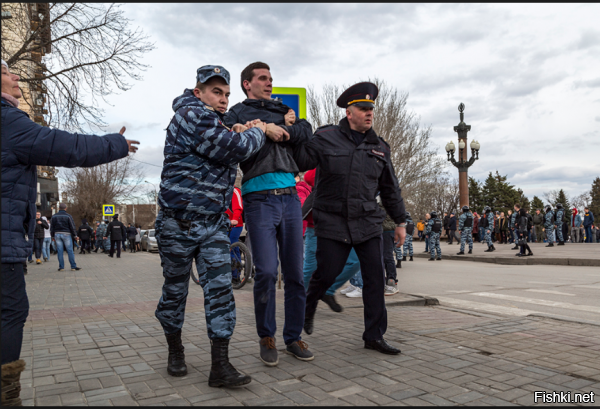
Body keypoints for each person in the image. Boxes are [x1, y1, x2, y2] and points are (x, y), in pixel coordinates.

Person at [2, 56, 137, 404]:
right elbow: (66, 146)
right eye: (5, 71)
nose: (16, 76)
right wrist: (116, 145)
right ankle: (6, 394)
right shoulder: (7, 122)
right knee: (9, 312)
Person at [155, 65, 267, 387]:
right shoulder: (191, 114)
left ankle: (220, 366)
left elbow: (223, 144)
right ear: (198, 92)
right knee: (175, 292)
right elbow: (239, 148)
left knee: (220, 293)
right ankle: (175, 350)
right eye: (216, 92)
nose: (223, 99)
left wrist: (235, 130)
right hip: (178, 225)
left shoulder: (214, 122)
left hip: (213, 226)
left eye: (227, 94)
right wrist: (257, 130)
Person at [293, 82, 406, 355]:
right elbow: (301, 161)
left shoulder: (380, 147)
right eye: (363, 109)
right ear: (349, 112)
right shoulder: (326, 137)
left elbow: (390, 188)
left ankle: (374, 336)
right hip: (332, 221)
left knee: (375, 280)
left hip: (367, 222)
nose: (369, 113)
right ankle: (308, 308)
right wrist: (297, 133)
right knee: (326, 273)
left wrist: (401, 221)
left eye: (371, 109)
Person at [223, 61, 315, 366]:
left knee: (295, 275)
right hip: (258, 198)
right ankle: (267, 336)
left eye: (271, 78)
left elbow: (306, 129)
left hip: (290, 198)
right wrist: (253, 127)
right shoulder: (237, 110)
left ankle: (293, 337)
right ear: (247, 84)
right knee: (264, 271)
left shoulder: (281, 109)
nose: (270, 82)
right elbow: (226, 130)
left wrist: (283, 130)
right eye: (263, 78)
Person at [50, 204, 81, 271]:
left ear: (58, 208)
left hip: (57, 234)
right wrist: (75, 235)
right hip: (66, 234)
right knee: (70, 250)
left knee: (60, 251)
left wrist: (52, 236)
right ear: (66, 208)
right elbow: (72, 226)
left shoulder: (54, 216)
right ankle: (73, 266)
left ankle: (61, 267)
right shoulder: (68, 216)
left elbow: (52, 227)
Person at [380, 198, 399, 295]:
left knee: (387, 256)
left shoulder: (386, 197)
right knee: (380, 258)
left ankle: (392, 282)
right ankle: (382, 282)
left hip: (388, 230)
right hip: (379, 230)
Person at [225, 185, 244, 283]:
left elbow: (238, 207)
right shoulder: (219, 189)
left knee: (231, 247)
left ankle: (235, 275)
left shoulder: (235, 190)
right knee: (233, 248)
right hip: (223, 223)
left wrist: (235, 219)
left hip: (234, 224)